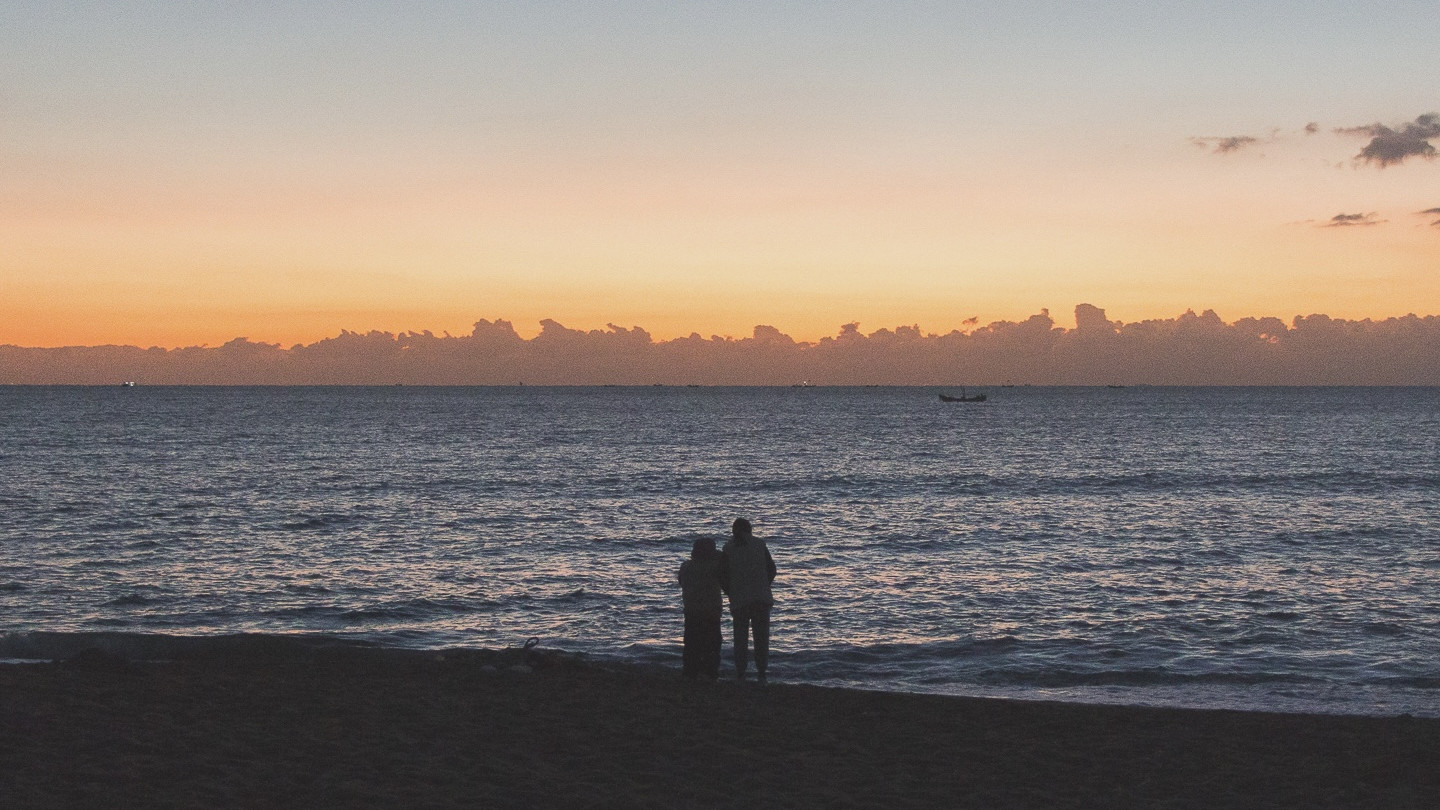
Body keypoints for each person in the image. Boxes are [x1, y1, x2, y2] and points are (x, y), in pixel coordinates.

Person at [717, 518, 776, 684]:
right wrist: (764, 585)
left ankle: (741, 672)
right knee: (762, 638)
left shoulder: (728, 548)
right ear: (750, 529)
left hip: (740, 599)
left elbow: (722, 575)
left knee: (740, 638)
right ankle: (762, 673)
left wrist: (730, 592)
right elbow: (772, 569)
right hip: (761, 598)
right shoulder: (760, 544)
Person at [678, 536, 723, 680]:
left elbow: (681, 581)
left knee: (691, 643)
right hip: (711, 611)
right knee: (712, 644)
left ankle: (690, 672)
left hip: (691, 610)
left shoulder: (686, 566)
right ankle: (710, 673)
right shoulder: (714, 567)